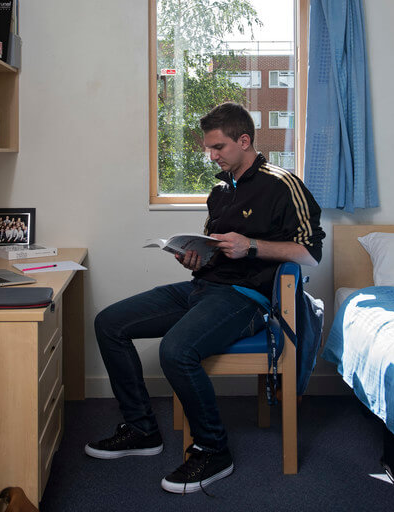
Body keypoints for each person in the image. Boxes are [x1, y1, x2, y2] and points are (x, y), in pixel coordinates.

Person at [85, 102, 325, 493]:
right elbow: (216, 250)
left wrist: (252, 246)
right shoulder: (219, 190)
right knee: (109, 323)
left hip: (248, 299)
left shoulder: (282, 184)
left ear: (244, 141)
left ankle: (213, 450)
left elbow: (308, 254)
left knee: (176, 351)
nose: (212, 156)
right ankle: (142, 430)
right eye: (209, 148)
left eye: (219, 147)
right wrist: (194, 257)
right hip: (204, 287)